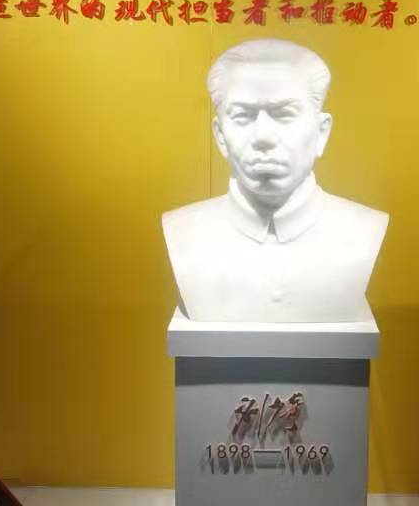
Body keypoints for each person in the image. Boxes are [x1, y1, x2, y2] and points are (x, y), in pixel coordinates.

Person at [162, 38, 388, 323]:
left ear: (322, 132)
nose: (263, 137)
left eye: (284, 114)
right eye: (243, 116)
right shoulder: (185, 232)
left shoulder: (362, 231)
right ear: (220, 136)